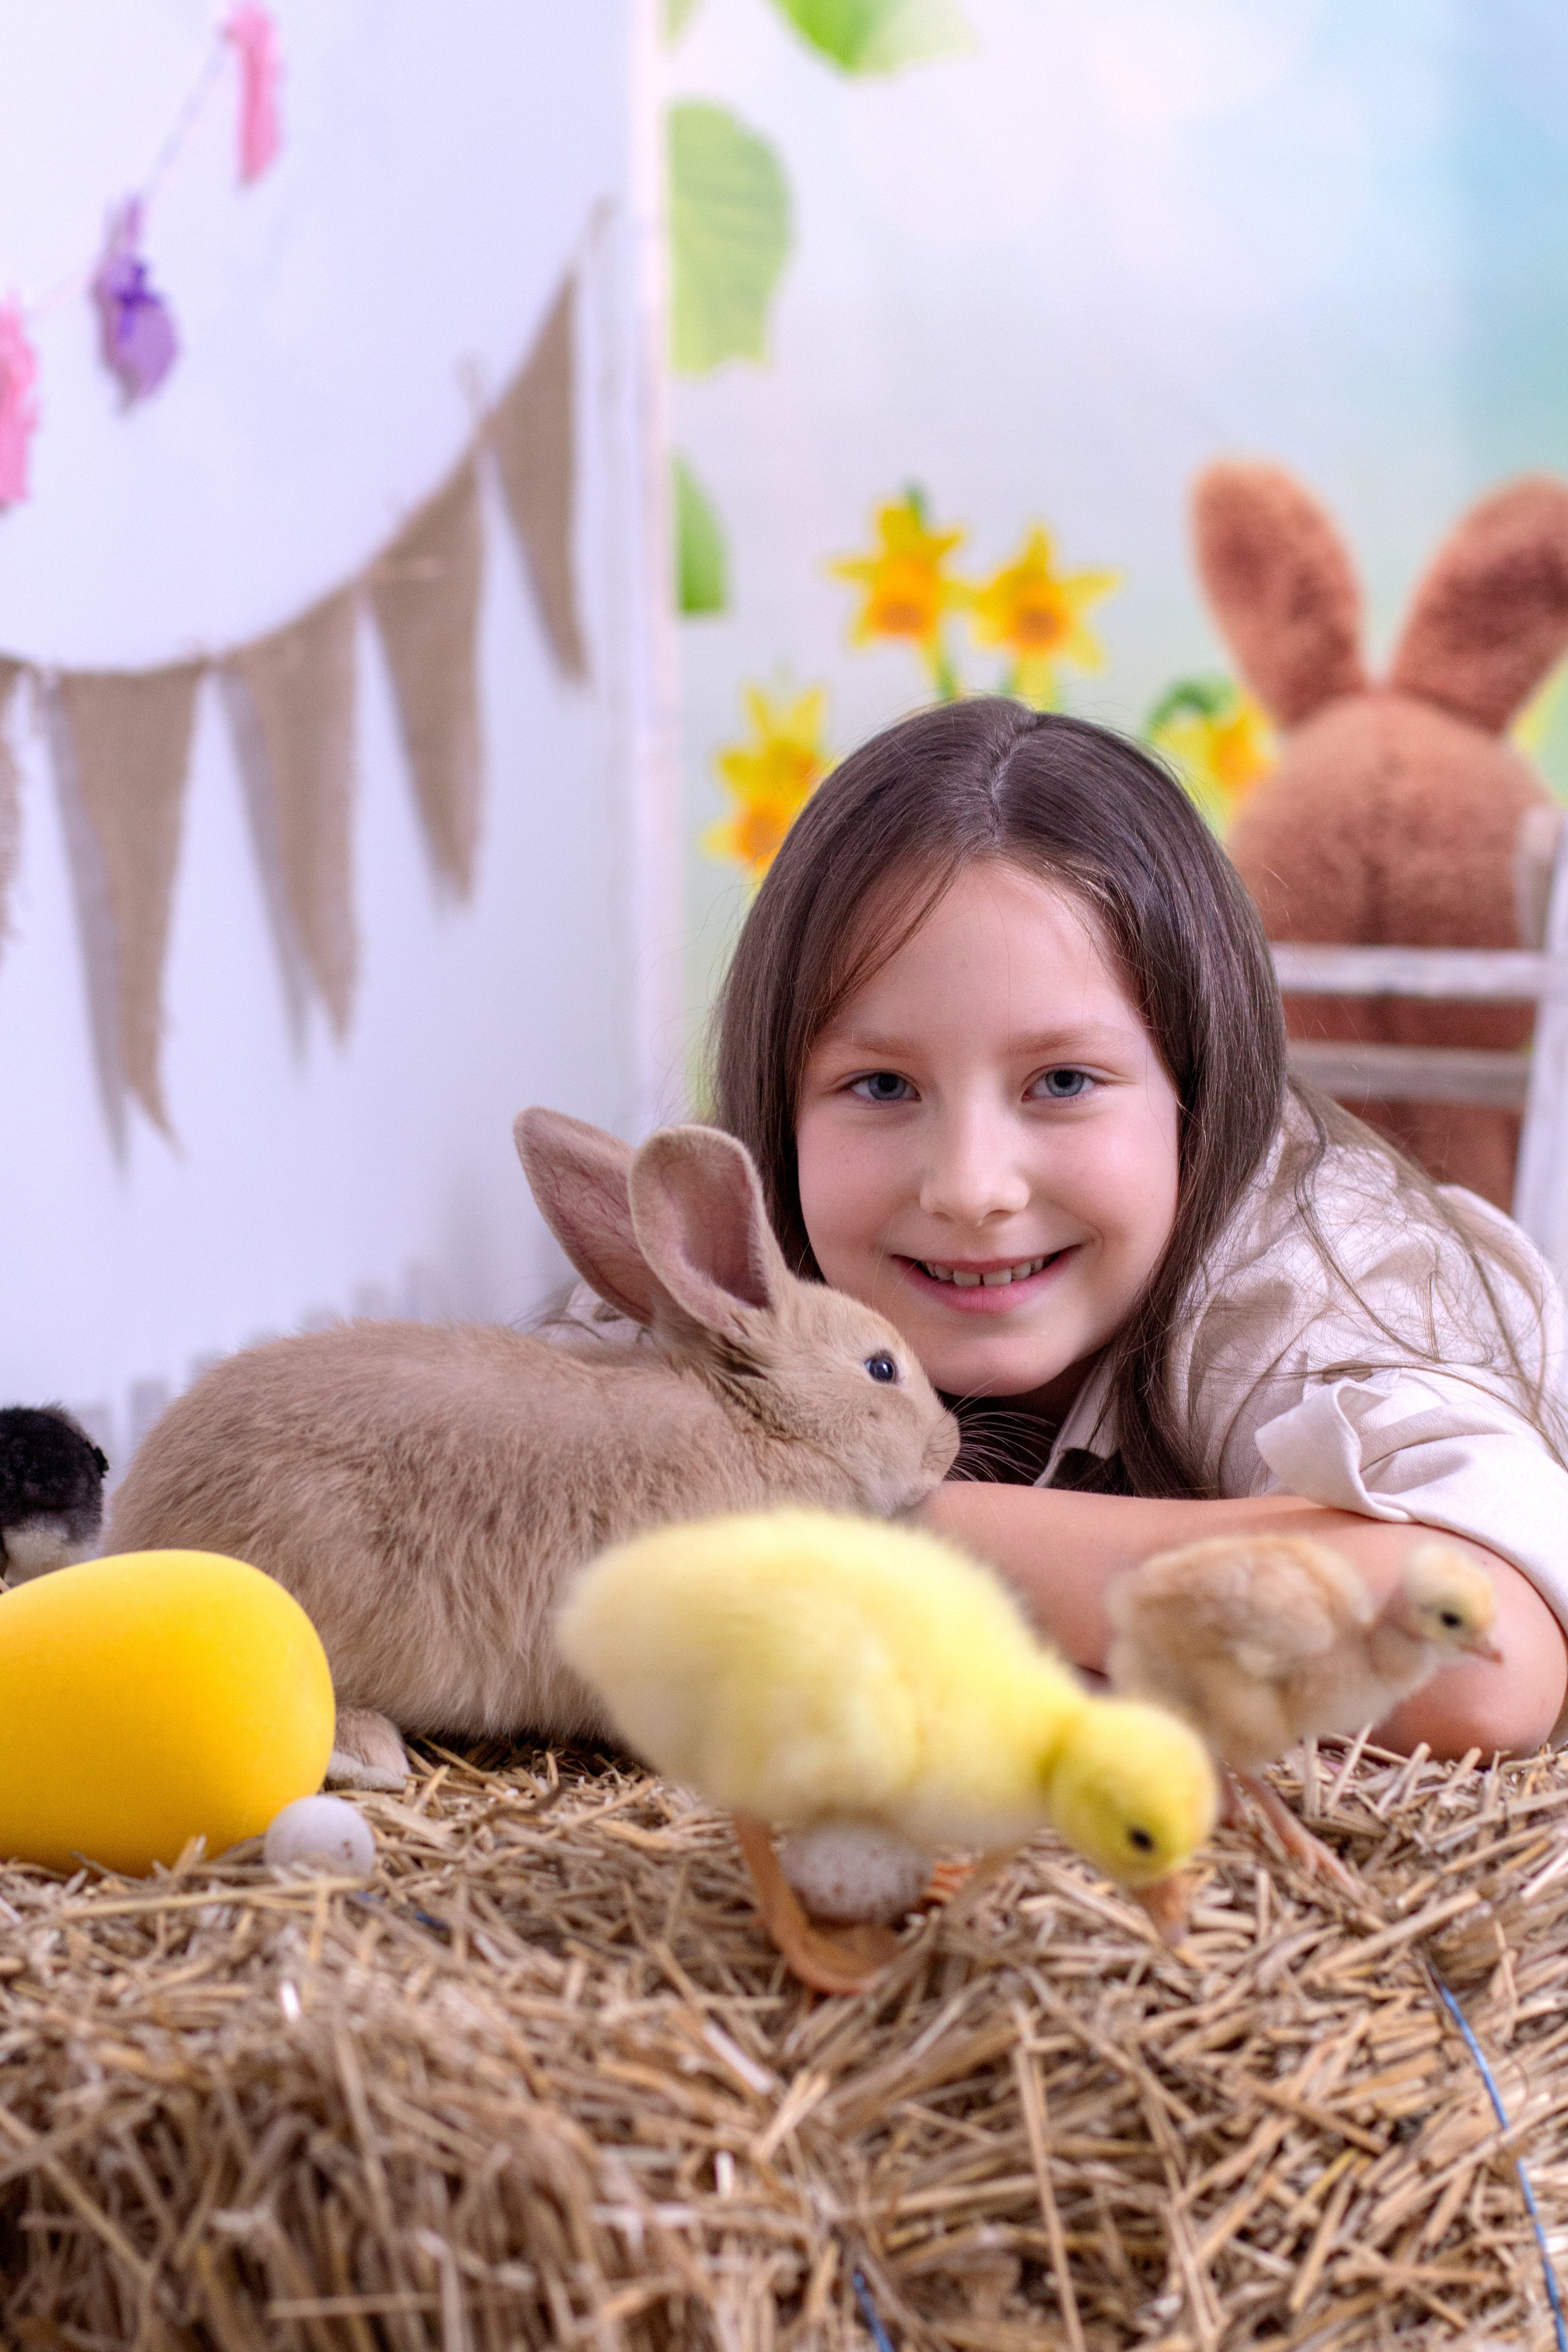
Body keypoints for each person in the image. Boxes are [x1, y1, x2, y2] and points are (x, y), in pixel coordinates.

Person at [711, 696, 1568, 1756]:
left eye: (1063, 1081)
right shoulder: (737, 1268)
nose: (971, 1189)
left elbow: (1481, 1669)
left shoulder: (1300, 1278)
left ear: (1196, 1096)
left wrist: (876, 1521)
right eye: (882, 1085)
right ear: (779, 1112)